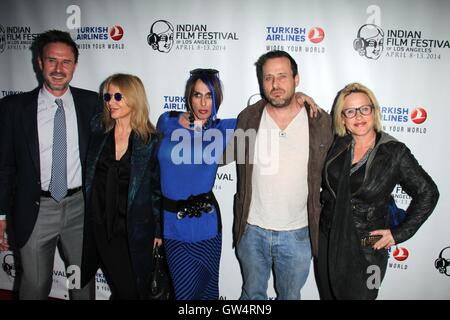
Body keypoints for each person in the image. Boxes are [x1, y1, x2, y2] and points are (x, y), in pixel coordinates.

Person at [0, 30, 99, 299]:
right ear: (40, 63)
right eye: (52, 60)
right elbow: (4, 166)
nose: (58, 69)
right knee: (34, 286)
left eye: (66, 62)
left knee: (81, 282)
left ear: (75, 66)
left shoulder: (92, 104)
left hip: (80, 209)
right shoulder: (13, 108)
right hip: (35, 210)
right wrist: (0, 215)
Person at [318, 82, 439, 299]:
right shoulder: (339, 143)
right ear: (342, 118)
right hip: (329, 240)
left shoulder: (394, 152)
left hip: (368, 248)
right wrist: (301, 98)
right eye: (350, 111)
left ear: (374, 111)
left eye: (365, 108)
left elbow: (428, 192)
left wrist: (398, 233)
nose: (359, 116)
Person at [232, 50, 333, 300]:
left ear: (296, 79)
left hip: (298, 234)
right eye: (268, 78)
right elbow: (219, 149)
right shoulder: (248, 118)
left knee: (290, 297)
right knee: (251, 294)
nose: (275, 84)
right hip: (251, 230)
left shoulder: (320, 122)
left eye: (282, 76)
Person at [80, 73, 162, 299]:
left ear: (134, 98)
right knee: (123, 287)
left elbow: (157, 190)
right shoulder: (98, 132)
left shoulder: (150, 141)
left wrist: (158, 229)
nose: (110, 102)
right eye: (107, 96)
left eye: (118, 96)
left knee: (133, 290)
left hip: (134, 230)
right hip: (100, 226)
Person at [156, 68, 236, 300]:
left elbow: (263, 113)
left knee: (208, 292)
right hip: (173, 224)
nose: (203, 102)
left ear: (217, 98)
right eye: (197, 95)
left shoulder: (224, 128)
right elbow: (152, 174)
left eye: (209, 95)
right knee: (184, 294)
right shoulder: (167, 121)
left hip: (207, 225)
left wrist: (301, 97)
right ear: (188, 97)